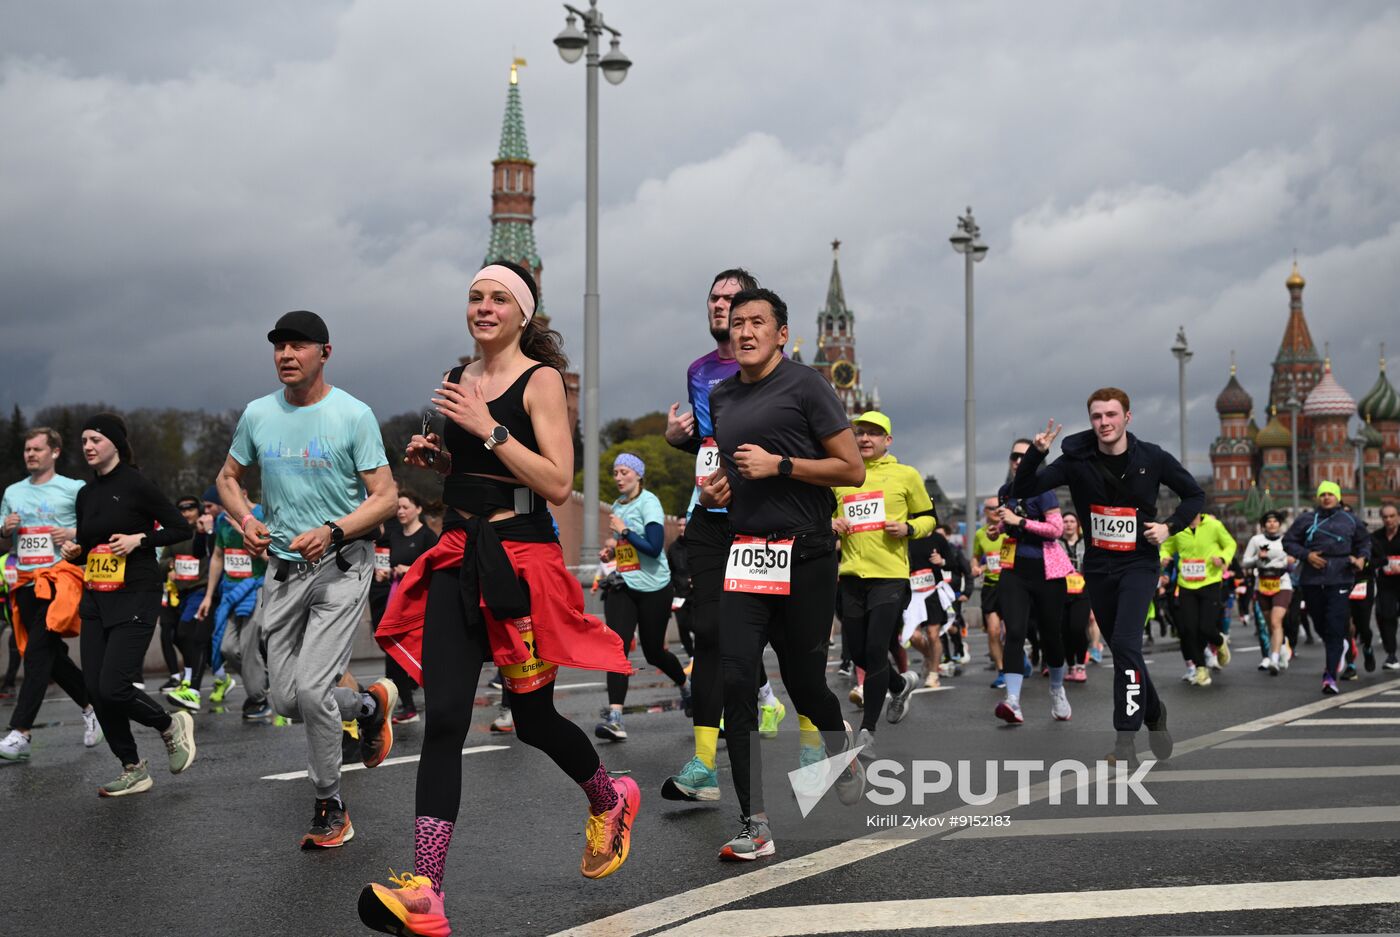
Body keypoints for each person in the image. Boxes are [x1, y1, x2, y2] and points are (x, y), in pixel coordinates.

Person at [360, 262, 636, 936]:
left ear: (523, 312)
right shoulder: (459, 380)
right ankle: (427, 888)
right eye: (476, 296)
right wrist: (441, 458)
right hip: (459, 556)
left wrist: (488, 428)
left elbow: (559, 482)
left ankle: (610, 796)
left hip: (520, 565)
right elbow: (477, 470)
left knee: (535, 718)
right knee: (447, 719)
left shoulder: (540, 381)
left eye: (498, 299)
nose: (484, 307)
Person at [216, 309, 399, 848]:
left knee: (315, 689)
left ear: (325, 353)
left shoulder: (353, 415)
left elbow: (385, 497)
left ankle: (329, 804)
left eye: (298, 346)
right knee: (286, 702)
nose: (286, 355)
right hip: (283, 572)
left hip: (341, 568)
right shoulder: (257, 414)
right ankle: (367, 707)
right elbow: (228, 479)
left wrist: (335, 531)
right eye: (279, 347)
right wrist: (247, 518)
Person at [702, 286, 866, 861]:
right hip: (747, 553)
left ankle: (839, 739)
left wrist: (782, 466)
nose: (744, 331)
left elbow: (853, 468)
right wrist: (723, 485)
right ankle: (755, 822)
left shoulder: (808, 384)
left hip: (808, 554)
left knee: (804, 684)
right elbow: (735, 469)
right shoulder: (721, 397)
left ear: (779, 332)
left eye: (757, 323)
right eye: (737, 322)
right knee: (735, 677)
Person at [662, 267, 796, 804]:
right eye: (714, 299)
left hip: (766, 518)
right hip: (711, 515)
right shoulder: (698, 371)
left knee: (790, 643)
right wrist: (676, 442)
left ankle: (817, 740)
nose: (721, 307)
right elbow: (711, 442)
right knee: (710, 634)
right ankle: (702, 765)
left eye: (733, 300)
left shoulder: (786, 374)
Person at [1013, 388, 1201, 766]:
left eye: (1111, 415)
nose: (1104, 423)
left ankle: (1126, 738)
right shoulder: (1075, 460)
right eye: (1097, 417)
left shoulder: (1152, 456)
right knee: (1123, 649)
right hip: (1098, 566)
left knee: (1128, 643)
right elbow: (1023, 489)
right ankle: (1154, 713)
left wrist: (1169, 528)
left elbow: (1194, 496)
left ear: (1127, 417)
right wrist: (1036, 453)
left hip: (1139, 564)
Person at [58, 413, 197, 796]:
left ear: (114, 444)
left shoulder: (137, 485)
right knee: (95, 686)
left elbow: (180, 528)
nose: (87, 446)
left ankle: (170, 726)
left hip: (136, 592)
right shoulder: (86, 495)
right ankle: (132, 767)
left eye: (95, 440)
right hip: (96, 596)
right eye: (84, 440)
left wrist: (141, 541)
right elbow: (91, 545)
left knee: (115, 686)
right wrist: (75, 551)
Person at [831, 410, 934, 757]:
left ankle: (867, 732)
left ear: (887, 440)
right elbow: (827, 516)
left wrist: (908, 529)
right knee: (858, 652)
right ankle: (900, 684)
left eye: (874, 434)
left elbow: (928, 518)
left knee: (875, 650)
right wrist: (834, 523)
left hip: (890, 575)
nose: (865, 439)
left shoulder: (906, 475)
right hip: (851, 577)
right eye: (860, 433)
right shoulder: (842, 476)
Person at [0, 426, 101, 762]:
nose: (30, 454)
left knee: (37, 651)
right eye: (27, 449)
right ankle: (92, 706)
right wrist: (5, 529)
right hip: (26, 581)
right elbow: (2, 534)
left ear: (54, 452)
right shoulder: (13, 492)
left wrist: (70, 531)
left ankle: (21, 732)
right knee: (49, 653)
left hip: (62, 579)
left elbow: (95, 526)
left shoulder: (74, 489)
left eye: (37, 449)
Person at [597, 452, 685, 741]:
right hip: (624, 584)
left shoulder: (650, 503)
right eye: (615, 473)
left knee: (654, 652)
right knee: (616, 648)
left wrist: (624, 530)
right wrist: (613, 549)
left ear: (638, 475)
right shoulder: (618, 505)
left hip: (655, 588)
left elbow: (654, 546)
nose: (619, 478)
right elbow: (628, 544)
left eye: (624, 472)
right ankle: (615, 717)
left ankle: (686, 686)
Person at [994, 439, 1072, 724]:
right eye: (1014, 456)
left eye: (1023, 456)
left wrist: (1019, 522)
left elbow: (1056, 529)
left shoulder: (1045, 491)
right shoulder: (1006, 492)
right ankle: (1013, 701)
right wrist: (998, 528)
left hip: (1046, 571)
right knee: (1014, 631)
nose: (1017, 461)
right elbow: (1008, 523)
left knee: (1051, 635)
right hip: (1014, 570)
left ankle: (1057, 689)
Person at [1282, 481, 1371, 695]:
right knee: (1321, 624)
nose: (1327, 497)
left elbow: (1364, 542)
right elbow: (1288, 542)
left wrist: (1362, 559)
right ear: (1318, 498)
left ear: (1338, 497)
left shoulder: (1350, 519)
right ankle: (1341, 642)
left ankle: (1330, 676)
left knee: (1333, 625)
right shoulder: (1306, 519)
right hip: (1312, 578)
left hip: (1341, 576)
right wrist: (1307, 555)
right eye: (1323, 494)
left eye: (1331, 494)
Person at [370, 492, 438, 724]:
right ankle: (407, 706)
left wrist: (411, 570)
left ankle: (440, 704)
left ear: (418, 509)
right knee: (393, 653)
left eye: (405, 507)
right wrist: (385, 572)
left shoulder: (427, 536)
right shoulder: (394, 536)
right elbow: (386, 562)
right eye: (398, 507)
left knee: (427, 656)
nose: (400, 511)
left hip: (421, 605)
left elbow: (436, 568)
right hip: (397, 602)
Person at [1159, 512, 1237, 687]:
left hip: (1210, 582)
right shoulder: (1177, 527)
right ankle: (1201, 669)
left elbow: (1230, 544)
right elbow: (1167, 546)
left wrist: (1223, 558)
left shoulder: (1214, 526)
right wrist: (1163, 557)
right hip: (1186, 584)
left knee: (1206, 627)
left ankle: (1219, 641)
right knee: (1189, 629)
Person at [160, 495, 218, 710]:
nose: (186, 513)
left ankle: (192, 683)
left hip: (202, 591)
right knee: (181, 636)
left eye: (190, 509)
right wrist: (170, 565)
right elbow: (162, 562)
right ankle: (219, 674)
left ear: (199, 509)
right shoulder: (175, 534)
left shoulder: (205, 529)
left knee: (187, 633)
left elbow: (215, 555)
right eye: (182, 510)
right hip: (180, 594)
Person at [1241, 510, 1295, 674]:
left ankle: (1274, 659)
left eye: (1275, 521)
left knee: (1275, 621)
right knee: (1270, 625)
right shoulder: (1256, 540)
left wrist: (1289, 561)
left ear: (1280, 524)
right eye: (1268, 522)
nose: (1272, 524)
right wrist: (1258, 558)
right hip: (1263, 584)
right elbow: (1245, 562)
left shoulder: (1288, 540)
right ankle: (1282, 645)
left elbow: (1295, 560)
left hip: (1282, 583)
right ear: (1263, 525)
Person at [970, 497, 1008, 687]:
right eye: (992, 508)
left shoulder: (1009, 529)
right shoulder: (980, 534)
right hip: (990, 586)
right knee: (993, 631)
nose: (996, 511)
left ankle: (1018, 660)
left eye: (999, 508)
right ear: (984, 511)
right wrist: (976, 567)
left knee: (1011, 632)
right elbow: (975, 558)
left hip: (1011, 584)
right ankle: (1002, 671)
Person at [1060, 512, 1091, 682]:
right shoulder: (1055, 543)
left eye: (1072, 521)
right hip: (1061, 593)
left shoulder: (1086, 543)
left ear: (1077, 524)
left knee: (1078, 628)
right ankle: (1070, 665)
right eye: (1065, 521)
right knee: (1064, 631)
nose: (1069, 524)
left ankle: (1080, 665)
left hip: (1082, 592)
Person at [1372, 503, 1400, 670]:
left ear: (1398, 516)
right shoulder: (1376, 537)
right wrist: (1381, 563)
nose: (1389, 520)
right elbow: (1371, 558)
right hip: (1386, 584)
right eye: (1385, 517)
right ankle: (1391, 655)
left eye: (1392, 516)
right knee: (1385, 616)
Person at [668, 516, 694, 659]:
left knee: (699, 626)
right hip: (679, 594)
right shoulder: (673, 548)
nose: (682, 527)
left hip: (697, 593)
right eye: (679, 525)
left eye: (685, 524)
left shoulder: (697, 544)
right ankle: (692, 657)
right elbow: (669, 570)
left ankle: (705, 656)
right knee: (683, 626)